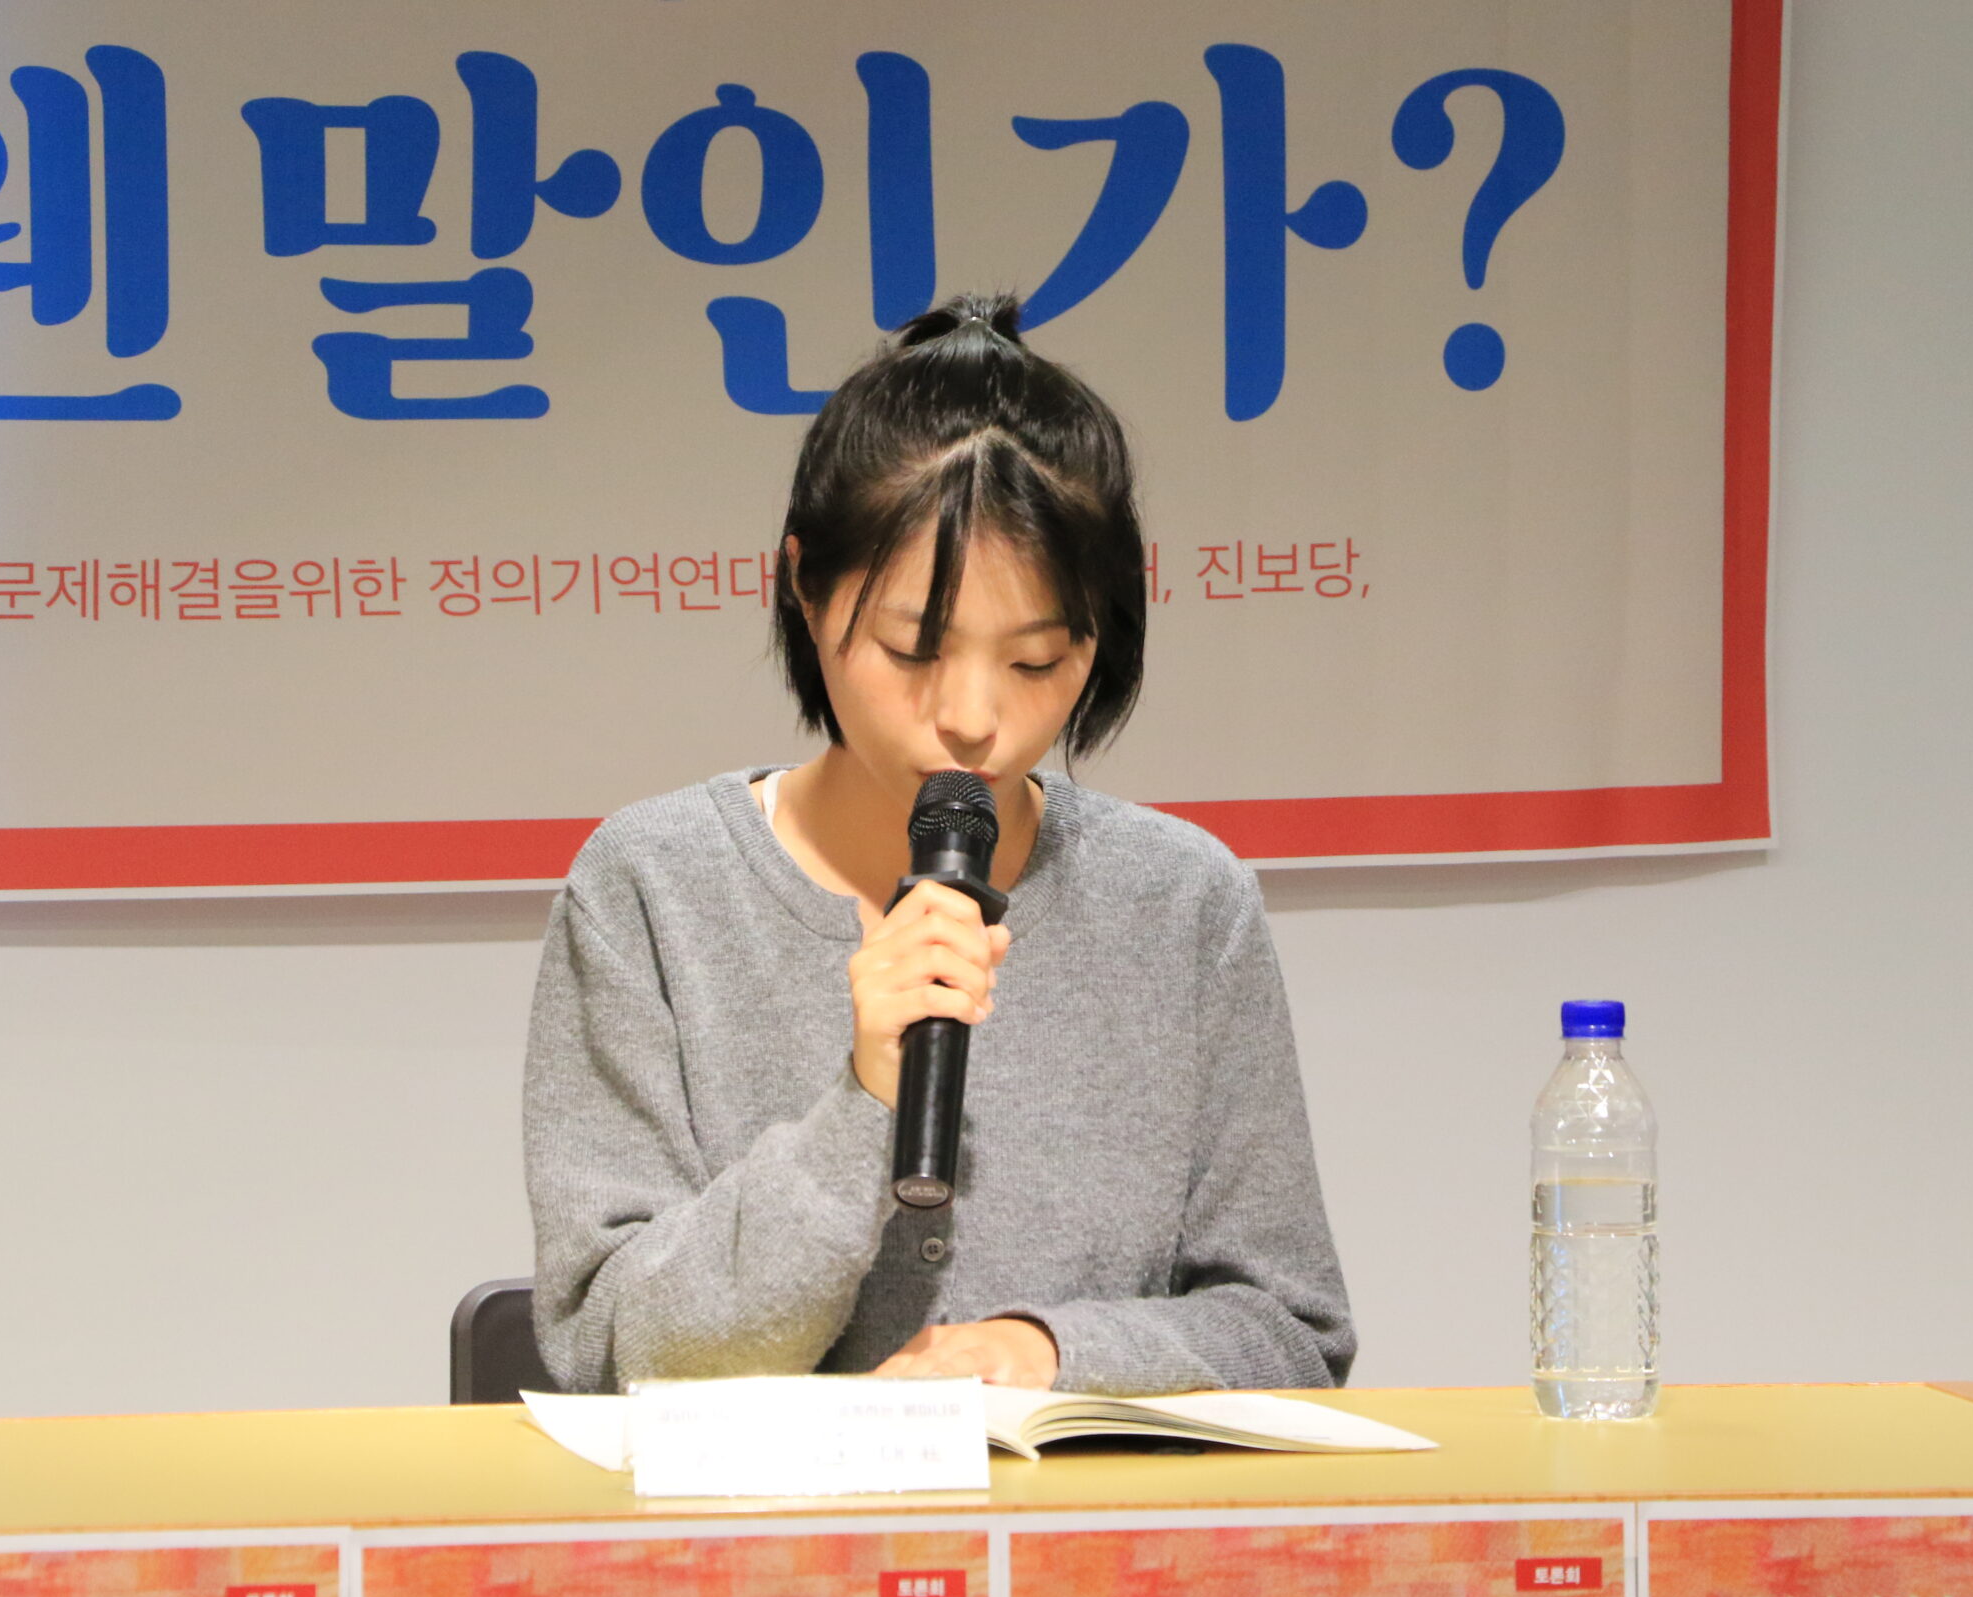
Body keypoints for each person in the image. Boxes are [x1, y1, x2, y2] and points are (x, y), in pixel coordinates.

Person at [524, 293, 1352, 1396]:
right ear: (805, 586)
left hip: (1080, 1508)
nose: (972, 719)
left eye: (1036, 661)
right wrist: (863, 1102)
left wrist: (1043, 1355)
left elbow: (1290, 1334)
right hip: (766, 1511)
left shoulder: (1182, 899)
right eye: (914, 649)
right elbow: (611, 1349)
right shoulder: (651, 887)